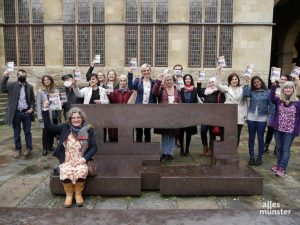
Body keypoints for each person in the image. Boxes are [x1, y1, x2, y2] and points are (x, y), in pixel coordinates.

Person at [42, 103, 97, 207]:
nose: (76, 120)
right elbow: (48, 127)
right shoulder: (64, 127)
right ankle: (69, 195)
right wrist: (45, 109)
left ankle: (78, 194)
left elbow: (94, 147)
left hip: (80, 160)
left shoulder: (88, 130)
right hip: (67, 160)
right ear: (70, 119)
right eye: (73, 118)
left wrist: (84, 159)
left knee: (81, 171)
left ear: (82, 118)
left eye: (78, 117)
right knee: (66, 172)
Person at [0, 69, 35, 158]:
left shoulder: (30, 87)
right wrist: (5, 76)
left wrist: (32, 108)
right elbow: (2, 88)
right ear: (17, 76)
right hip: (16, 113)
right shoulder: (12, 85)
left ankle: (29, 149)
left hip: (26, 112)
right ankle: (18, 150)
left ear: (26, 76)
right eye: (20, 75)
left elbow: (32, 100)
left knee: (27, 132)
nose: (22, 77)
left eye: (24, 76)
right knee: (16, 132)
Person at [269, 81, 300, 176]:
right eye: (286, 87)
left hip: (290, 130)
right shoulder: (279, 99)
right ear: (283, 89)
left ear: (293, 90)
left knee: (285, 149)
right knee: (279, 148)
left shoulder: (297, 102)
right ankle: (278, 165)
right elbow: (271, 98)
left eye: (290, 88)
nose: (288, 89)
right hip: (278, 128)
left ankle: (282, 168)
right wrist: (273, 86)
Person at [152, 73, 181, 162]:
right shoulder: (161, 89)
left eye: (170, 79)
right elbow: (154, 93)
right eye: (167, 80)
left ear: (173, 80)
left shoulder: (177, 90)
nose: (169, 81)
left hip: (174, 115)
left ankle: (170, 153)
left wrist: (178, 104)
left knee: (172, 135)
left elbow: (180, 101)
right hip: (164, 115)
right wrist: (158, 81)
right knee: (165, 135)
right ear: (164, 81)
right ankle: (164, 153)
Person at [243, 76, 270, 166]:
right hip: (251, 117)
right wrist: (246, 83)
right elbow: (245, 94)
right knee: (251, 138)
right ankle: (251, 157)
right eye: (255, 83)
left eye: (258, 82)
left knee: (260, 138)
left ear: (261, 82)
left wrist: (270, 118)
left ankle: (259, 158)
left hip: (262, 118)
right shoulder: (251, 91)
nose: (257, 84)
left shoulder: (267, 92)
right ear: (253, 84)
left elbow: (272, 105)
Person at [216, 70, 247, 147]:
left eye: (236, 79)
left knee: (237, 135)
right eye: (232, 79)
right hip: (228, 113)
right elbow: (218, 85)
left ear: (238, 80)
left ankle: (234, 152)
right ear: (229, 81)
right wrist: (218, 73)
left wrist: (245, 114)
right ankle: (226, 151)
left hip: (239, 114)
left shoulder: (242, 88)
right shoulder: (226, 88)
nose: (234, 81)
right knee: (227, 133)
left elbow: (245, 102)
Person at [128, 63, 157, 142]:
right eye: (144, 70)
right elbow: (130, 87)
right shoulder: (138, 81)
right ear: (142, 72)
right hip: (139, 109)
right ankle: (138, 149)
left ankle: (147, 150)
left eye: (148, 70)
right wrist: (130, 74)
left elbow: (157, 93)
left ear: (150, 71)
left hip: (150, 109)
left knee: (147, 130)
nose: (146, 72)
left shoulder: (154, 82)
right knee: (139, 130)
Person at [197, 77, 225, 156]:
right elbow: (199, 93)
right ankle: (204, 147)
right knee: (203, 131)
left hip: (214, 115)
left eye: (213, 82)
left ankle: (210, 148)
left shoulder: (219, 92)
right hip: (205, 115)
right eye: (210, 82)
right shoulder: (206, 91)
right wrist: (199, 83)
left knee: (212, 133)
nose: (211, 83)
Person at [264, 74, 291, 155]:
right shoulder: (273, 89)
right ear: (279, 80)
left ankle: (277, 148)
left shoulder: (289, 91)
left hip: (283, 115)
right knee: (270, 131)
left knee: (280, 131)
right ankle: (266, 146)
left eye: (285, 79)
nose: (283, 81)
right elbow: (269, 100)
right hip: (272, 113)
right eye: (281, 79)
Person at [36, 75, 61, 156]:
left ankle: (50, 146)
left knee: (53, 131)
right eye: (45, 80)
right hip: (45, 114)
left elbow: (58, 102)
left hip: (54, 114)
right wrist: (40, 116)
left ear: (51, 80)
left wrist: (61, 104)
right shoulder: (40, 91)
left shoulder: (56, 90)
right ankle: (45, 148)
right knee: (45, 132)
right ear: (43, 82)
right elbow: (38, 104)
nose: (46, 81)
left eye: (48, 79)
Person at [107, 74, 133, 141]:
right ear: (119, 82)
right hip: (116, 116)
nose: (123, 82)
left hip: (127, 117)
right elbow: (111, 101)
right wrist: (108, 95)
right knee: (115, 136)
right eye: (121, 81)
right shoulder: (115, 92)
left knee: (126, 137)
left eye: (124, 81)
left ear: (127, 82)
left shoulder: (130, 92)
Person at [179, 74, 198, 156]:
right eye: (186, 79)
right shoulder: (181, 89)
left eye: (189, 79)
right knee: (181, 132)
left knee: (189, 132)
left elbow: (196, 101)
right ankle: (182, 149)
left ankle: (187, 149)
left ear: (191, 80)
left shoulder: (194, 89)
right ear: (184, 80)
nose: (187, 80)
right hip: (181, 113)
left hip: (190, 114)